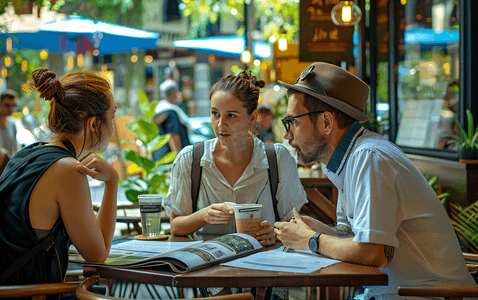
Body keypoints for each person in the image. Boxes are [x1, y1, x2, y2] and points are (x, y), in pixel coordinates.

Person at [273, 62, 476, 299]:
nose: (287, 135)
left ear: (326, 122)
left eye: (292, 122)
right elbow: (354, 237)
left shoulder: (368, 158)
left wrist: (311, 240)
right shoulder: (353, 157)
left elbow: (374, 253)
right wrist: (320, 230)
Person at [0, 68, 119, 286]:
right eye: (112, 116)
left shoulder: (28, 153)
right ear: (93, 124)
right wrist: (112, 181)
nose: (113, 125)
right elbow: (98, 255)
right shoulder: (68, 170)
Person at [165, 70, 307, 240]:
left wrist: (275, 234)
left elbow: (295, 224)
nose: (220, 124)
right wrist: (203, 215)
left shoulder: (278, 159)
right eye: (215, 113)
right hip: (208, 263)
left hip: (262, 263)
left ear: (252, 117)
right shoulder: (190, 159)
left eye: (231, 116)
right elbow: (176, 226)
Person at [152, 79, 192, 161]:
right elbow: (173, 135)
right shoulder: (170, 111)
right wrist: (179, 158)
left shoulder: (159, 110)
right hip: (170, 159)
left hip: (160, 157)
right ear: (173, 93)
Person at [0, 89, 20, 157]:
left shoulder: (12, 125)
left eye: (14, 105)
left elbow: (14, 150)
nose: (11, 109)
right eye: (7, 105)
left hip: (8, 165)